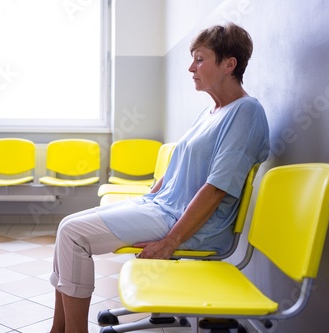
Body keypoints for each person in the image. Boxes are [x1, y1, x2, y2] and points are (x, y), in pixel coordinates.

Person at [49, 23, 270, 333]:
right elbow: (180, 166)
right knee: (66, 228)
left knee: (74, 234)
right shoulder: (210, 113)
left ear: (229, 64)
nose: (191, 67)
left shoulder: (246, 112)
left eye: (200, 59)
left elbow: (217, 187)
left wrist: (170, 243)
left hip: (187, 223)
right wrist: (145, 197)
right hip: (161, 207)